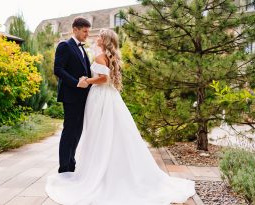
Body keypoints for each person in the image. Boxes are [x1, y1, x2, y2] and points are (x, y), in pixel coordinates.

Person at [46, 28, 196, 205]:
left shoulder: (100, 56)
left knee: (100, 132)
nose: (96, 38)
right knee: (109, 131)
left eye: (100, 37)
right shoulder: (109, 56)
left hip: (101, 97)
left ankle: (102, 170)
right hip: (107, 97)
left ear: (105, 40)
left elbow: (104, 79)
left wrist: (87, 80)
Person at [53, 17, 91, 173]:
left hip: (83, 97)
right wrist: (76, 82)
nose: (87, 34)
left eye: (88, 31)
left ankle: (71, 164)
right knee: (69, 131)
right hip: (70, 97)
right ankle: (64, 168)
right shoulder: (65, 46)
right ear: (75, 29)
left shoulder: (82, 48)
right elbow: (58, 70)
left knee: (77, 132)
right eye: (85, 31)